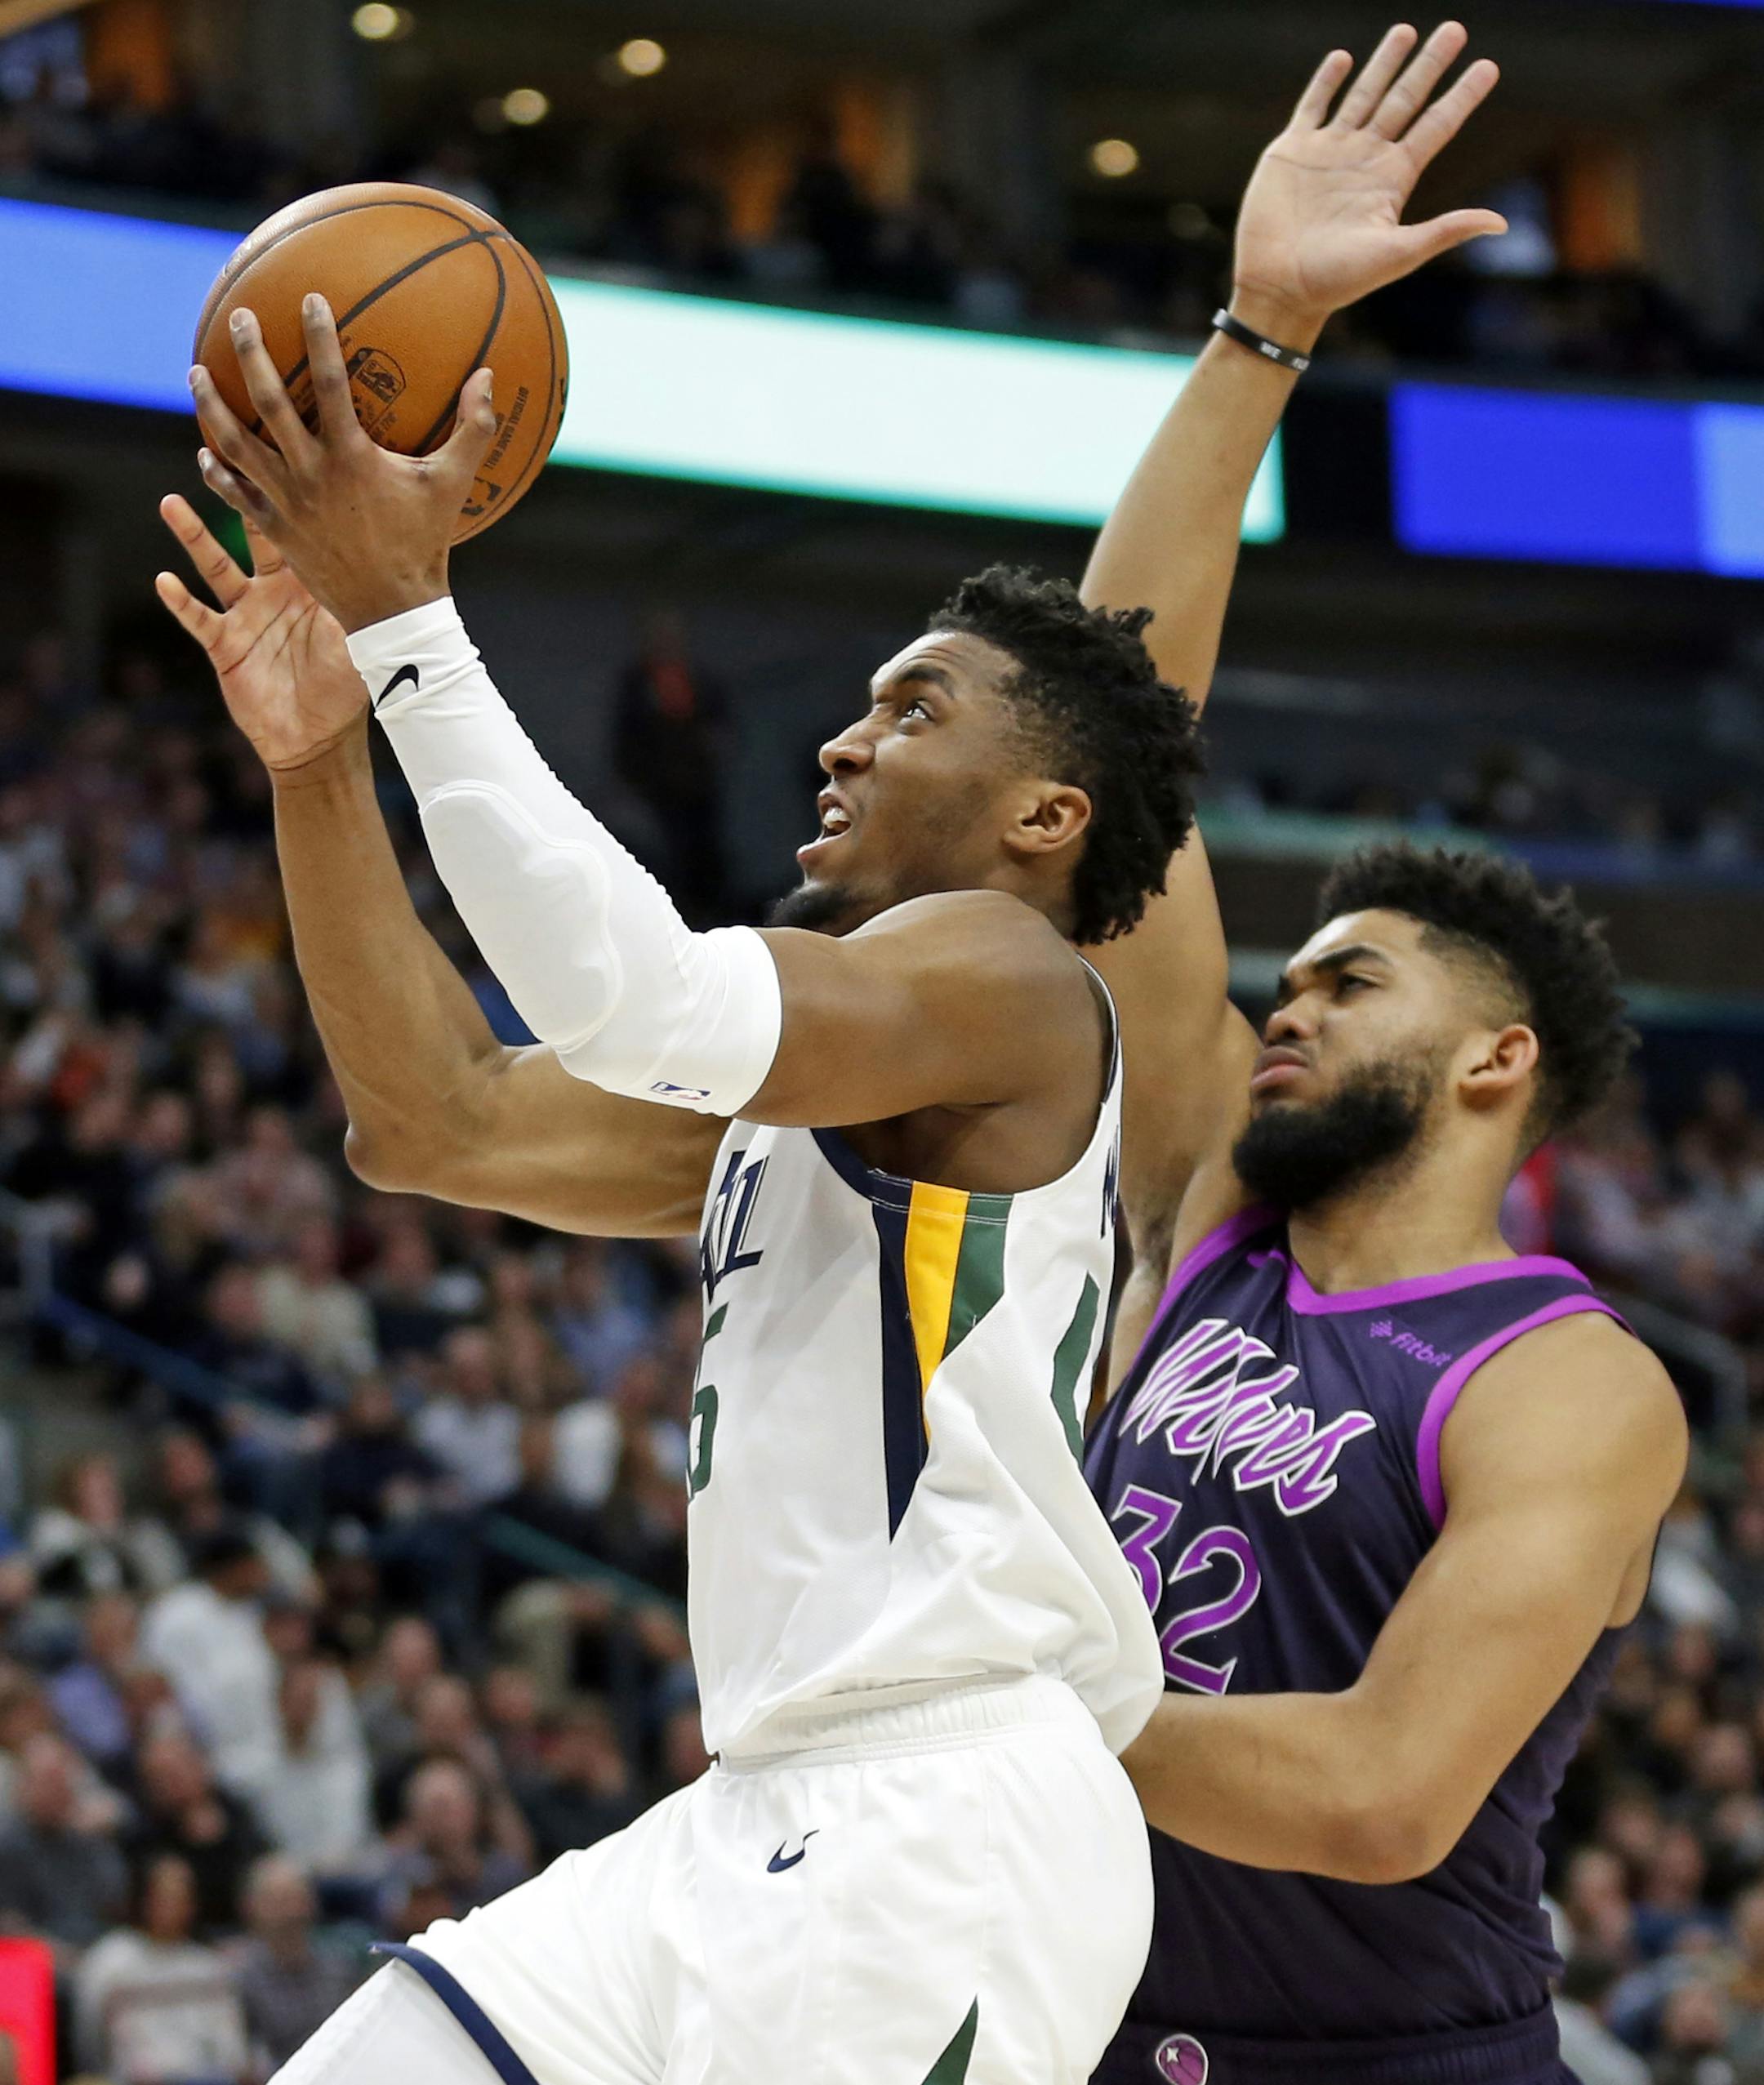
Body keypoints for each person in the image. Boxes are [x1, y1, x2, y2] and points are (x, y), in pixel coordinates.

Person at [158, 189, 1200, 2085]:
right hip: (747, 1808)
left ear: (1046, 815)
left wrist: (409, 619)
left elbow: (637, 1000)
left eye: (915, 709)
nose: (844, 740)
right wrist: (320, 768)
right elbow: (432, 1118)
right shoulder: (835, 1083)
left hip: (941, 1812)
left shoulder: (1005, 982)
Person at [1062, 24, 1686, 2085]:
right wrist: (1255, 332)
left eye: (1354, 976)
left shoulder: (1567, 1383)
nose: (1292, 1000)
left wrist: (989, 1700)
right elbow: (1110, 744)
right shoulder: (1217, 1212)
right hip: (1095, 2021)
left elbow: (1384, 1790)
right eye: (1292, 970)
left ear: (1498, 1055)